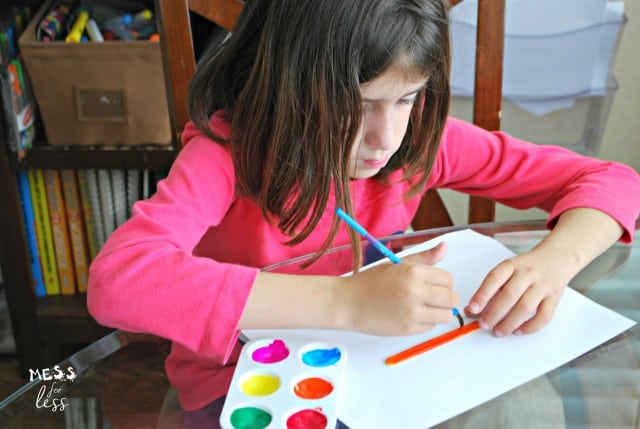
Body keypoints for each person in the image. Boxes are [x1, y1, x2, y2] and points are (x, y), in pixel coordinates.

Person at [88, 0, 640, 427]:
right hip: (246, 389)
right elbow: (120, 280)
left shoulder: (418, 141)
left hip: (389, 374)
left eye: (406, 99)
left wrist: (551, 264)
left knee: (522, 411)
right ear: (289, 84)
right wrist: (346, 301)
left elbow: (612, 180)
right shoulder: (225, 157)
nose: (387, 137)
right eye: (360, 103)